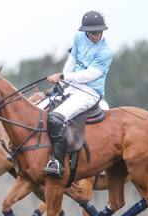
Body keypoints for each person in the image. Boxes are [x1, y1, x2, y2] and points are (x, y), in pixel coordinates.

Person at [44, 11, 113, 178]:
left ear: (102, 31)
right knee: (38, 111)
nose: (94, 35)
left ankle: (58, 162)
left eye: (97, 32)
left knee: (56, 117)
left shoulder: (106, 51)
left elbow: (90, 75)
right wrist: (62, 83)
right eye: (91, 33)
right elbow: (72, 61)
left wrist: (64, 77)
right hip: (72, 86)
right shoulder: (79, 38)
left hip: (90, 92)